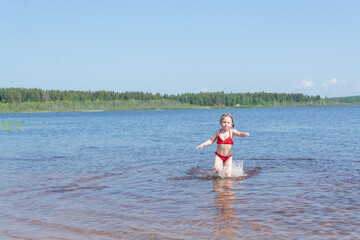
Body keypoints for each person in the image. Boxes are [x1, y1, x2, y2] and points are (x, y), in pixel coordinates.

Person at [196, 113, 249, 178]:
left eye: (228, 122)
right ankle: (218, 185)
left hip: (228, 157)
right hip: (218, 156)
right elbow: (211, 140)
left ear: (231, 124)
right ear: (220, 123)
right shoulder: (218, 132)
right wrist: (203, 144)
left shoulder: (232, 131)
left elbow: (239, 133)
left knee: (228, 175)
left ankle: (228, 187)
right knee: (217, 170)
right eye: (224, 122)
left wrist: (243, 134)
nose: (226, 124)